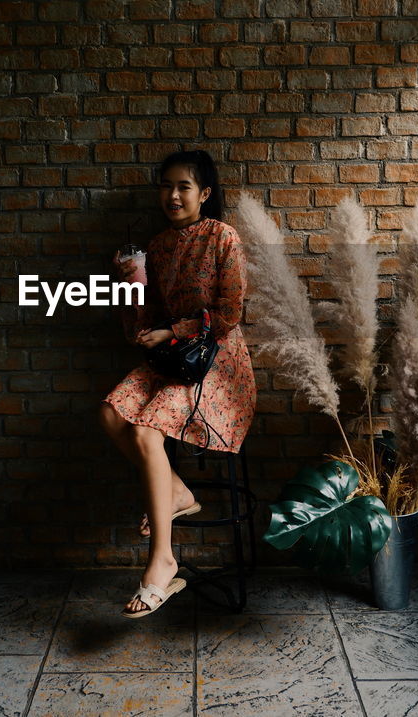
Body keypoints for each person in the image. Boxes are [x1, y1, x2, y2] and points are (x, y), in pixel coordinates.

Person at [99, 149, 257, 618]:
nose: (172, 195)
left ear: (204, 194)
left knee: (147, 432)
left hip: (218, 362)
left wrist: (176, 329)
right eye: (166, 185)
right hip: (174, 359)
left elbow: (229, 314)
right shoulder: (158, 246)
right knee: (111, 412)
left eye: (183, 186)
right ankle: (180, 493)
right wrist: (129, 284)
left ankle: (161, 563)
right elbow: (138, 330)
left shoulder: (223, 237)